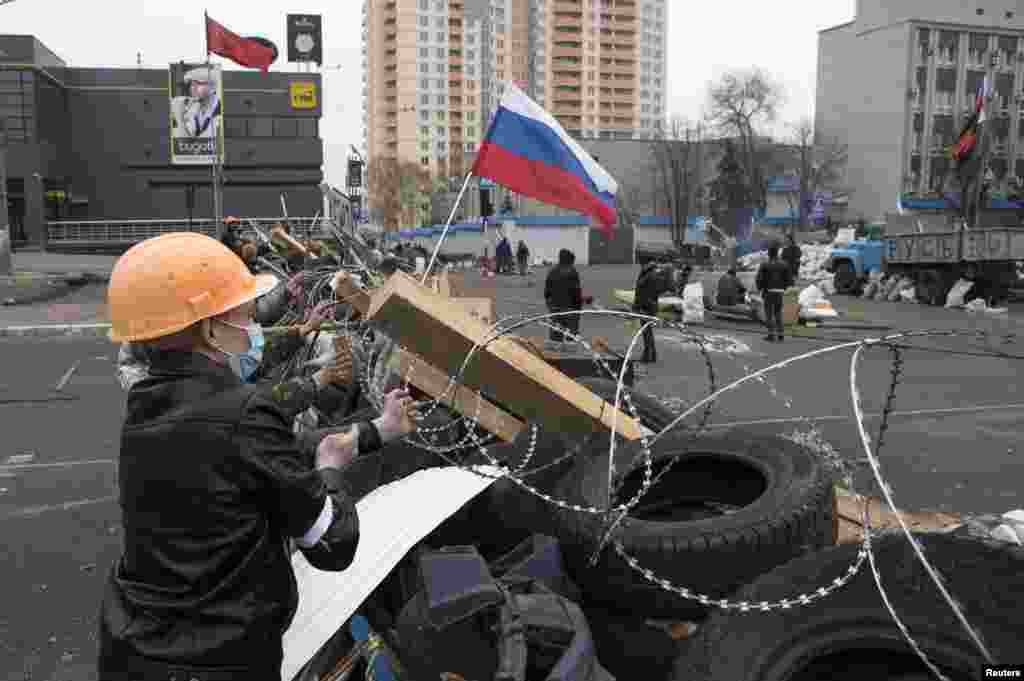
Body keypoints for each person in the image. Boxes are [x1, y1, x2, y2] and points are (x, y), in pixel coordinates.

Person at [97, 233, 417, 680]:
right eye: (242, 310)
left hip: (133, 649)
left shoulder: (149, 405)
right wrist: (330, 470)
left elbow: (256, 458)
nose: (252, 318)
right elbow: (331, 543)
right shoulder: (241, 414)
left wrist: (372, 431)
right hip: (216, 663)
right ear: (209, 328)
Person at [755, 243, 794, 342]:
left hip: (768, 292)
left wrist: (760, 288)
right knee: (778, 313)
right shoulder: (784, 264)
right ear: (777, 253)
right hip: (780, 292)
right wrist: (785, 288)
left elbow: (759, 279)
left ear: (769, 254)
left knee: (769, 314)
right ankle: (781, 334)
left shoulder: (764, 265)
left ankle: (771, 335)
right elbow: (790, 280)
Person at [170, 66, 222, 140]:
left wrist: (179, 116)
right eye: (191, 84)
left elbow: (192, 143)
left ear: (212, 87)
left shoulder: (219, 110)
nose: (193, 88)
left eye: (198, 84)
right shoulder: (193, 109)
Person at [544, 249, 583, 343]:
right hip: (570, 308)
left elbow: (547, 291)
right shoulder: (572, 272)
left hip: (554, 307)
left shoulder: (552, 272)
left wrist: (549, 304)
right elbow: (576, 292)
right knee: (572, 333)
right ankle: (570, 344)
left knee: (556, 333)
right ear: (570, 260)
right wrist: (578, 307)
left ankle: (556, 346)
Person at [633, 261, 664, 363]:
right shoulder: (651, 274)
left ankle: (648, 355)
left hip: (646, 307)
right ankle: (651, 355)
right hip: (649, 306)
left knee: (647, 332)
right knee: (647, 331)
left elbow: (642, 292)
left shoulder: (648, 276)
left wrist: (638, 306)